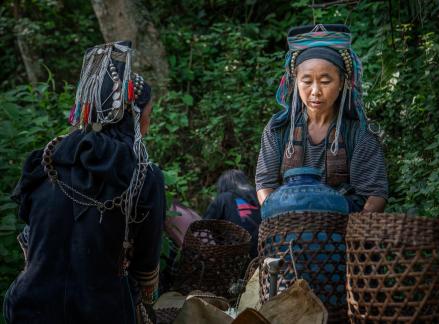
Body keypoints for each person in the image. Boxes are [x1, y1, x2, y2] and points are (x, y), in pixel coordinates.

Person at [3, 41, 165, 324]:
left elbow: (30, 241)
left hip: (28, 308)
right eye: (148, 115)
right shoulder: (142, 175)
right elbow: (145, 268)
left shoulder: (47, 160)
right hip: (101, 313)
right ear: (135, 117)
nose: (148, 125)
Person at [256, 24, 388, 212]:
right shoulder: (278, 128)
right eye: (307, 81)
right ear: (295, 81)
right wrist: (277, 215)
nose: (316, 91)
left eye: (326, 81)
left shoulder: (359, 133)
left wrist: (354, 235)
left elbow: (375, 193)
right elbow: (265, 183)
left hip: (343, 228)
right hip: (288, 225)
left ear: (342, 82)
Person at [203, 169, 261, 258]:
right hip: (263, 247)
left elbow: (203, 225)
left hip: (236, 253)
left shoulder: (222, 199)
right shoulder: (258, 195)